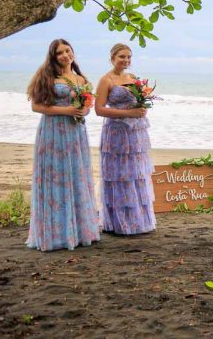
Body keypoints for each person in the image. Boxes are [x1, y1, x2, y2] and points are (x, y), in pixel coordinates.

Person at [26, 39, 100, 251]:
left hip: (76, 133)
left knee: (77, 176)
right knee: (56, 178)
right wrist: (66, 110)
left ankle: (79, 231)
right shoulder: (48, 77)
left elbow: (87, 106)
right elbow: (36, 106)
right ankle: (56, 234)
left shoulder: (81, 78)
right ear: (53, 56)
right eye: (60, 53)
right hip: (53, 132)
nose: (66, 55)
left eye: (68, 50)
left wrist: (82, 111)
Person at [95, 43, 156, 235]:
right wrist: (129, 113)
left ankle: (139, 221)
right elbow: (99, 109)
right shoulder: (106, 80)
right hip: (116, 134)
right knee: (119, 176)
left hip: (135, 133)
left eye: (129, 57)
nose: (126, 60)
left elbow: (139, 102)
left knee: (136, 174)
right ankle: (119, 223)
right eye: (122, 56)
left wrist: (142, 108)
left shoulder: (133, 78)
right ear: (112, 57)